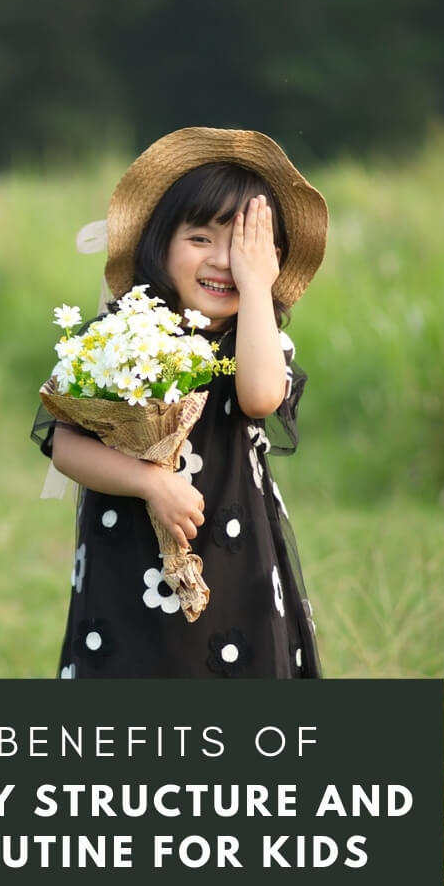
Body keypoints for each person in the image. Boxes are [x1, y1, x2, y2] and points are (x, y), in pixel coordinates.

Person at [32, 127, 328, 679]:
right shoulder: (122, 339)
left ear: (271, 261)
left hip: (233, 558)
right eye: (199, 238)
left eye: (242, 247)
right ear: (157, 242)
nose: (222, 262)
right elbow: (66, 446)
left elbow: (261, 396)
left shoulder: (256, 344)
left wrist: (257, 289)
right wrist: (150, 482)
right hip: (130, 556)